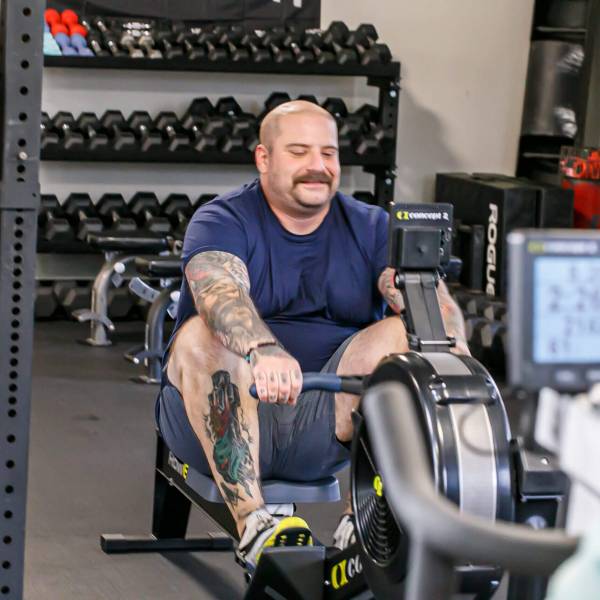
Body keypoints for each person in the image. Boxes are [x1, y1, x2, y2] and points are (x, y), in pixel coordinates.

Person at [156, 100, 469, 572]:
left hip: (327, 420)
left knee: (405, 334)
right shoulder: (223, 218)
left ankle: (362, 521)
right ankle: (253, 525)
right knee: (203, 335)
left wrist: (443, 338)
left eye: (328, 153)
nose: (318, 167)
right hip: (217, 417)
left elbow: (429, 303)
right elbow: (220, 291)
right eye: (299, 152)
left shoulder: (371, 226)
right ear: (264, 158)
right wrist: (262, 349)